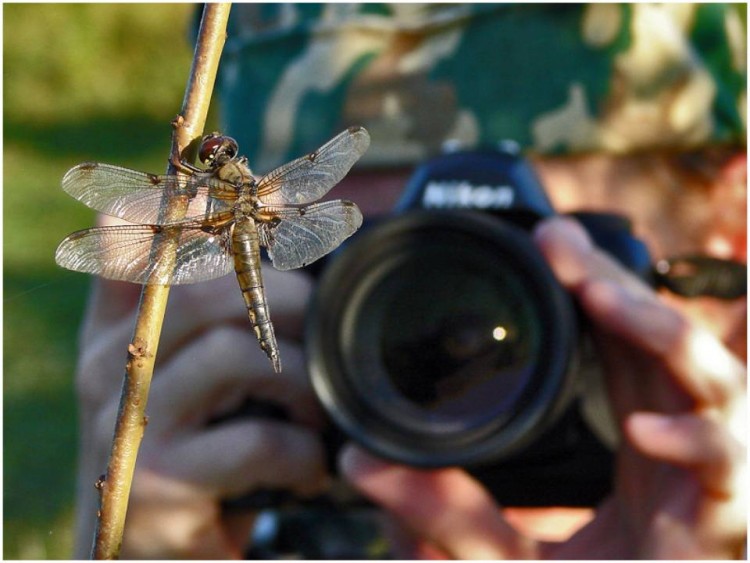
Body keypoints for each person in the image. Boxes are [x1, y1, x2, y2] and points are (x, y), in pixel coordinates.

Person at [73, 4, 746, 558]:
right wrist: (121, 529)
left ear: (732, 241)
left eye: (516, 271)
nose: (430, 369)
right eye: (357, 272)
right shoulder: (259, 526)